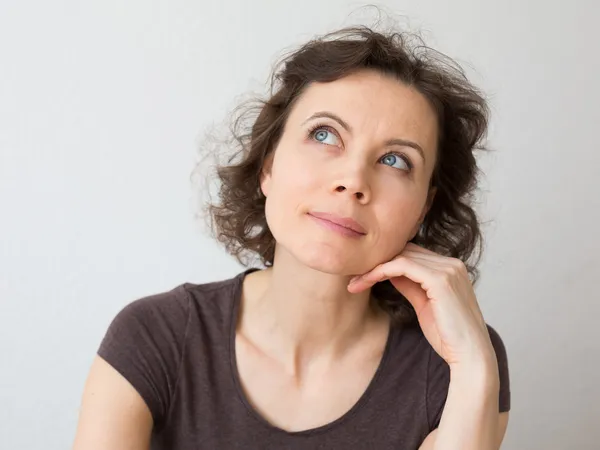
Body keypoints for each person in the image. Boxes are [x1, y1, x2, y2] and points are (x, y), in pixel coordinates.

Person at [73, 24, 510, 450]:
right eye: (324, 135)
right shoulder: (156, 335)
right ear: (268, 165)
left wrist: (473, 369)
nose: (353, 180)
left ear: (423, 209)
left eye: (395, 160)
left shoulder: (458, 365)